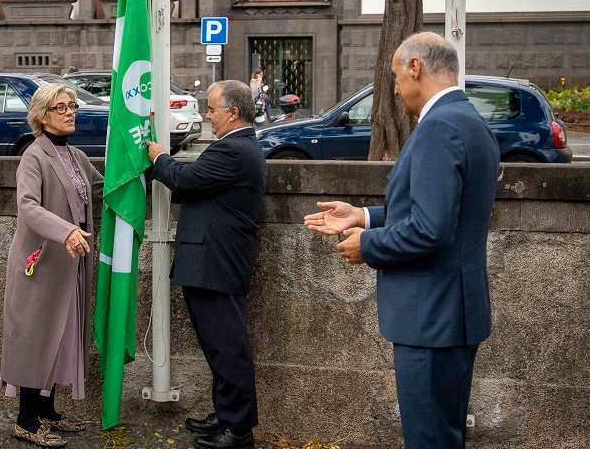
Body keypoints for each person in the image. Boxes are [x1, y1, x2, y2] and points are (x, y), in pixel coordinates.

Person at [303, 32, 500, 448]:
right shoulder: (470, 121)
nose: (393, 89)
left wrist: (367, 245)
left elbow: (430, 229)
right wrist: (364, 216)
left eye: (395, 77)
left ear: (416, 68)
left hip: (430, 316)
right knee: (444, 434)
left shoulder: (439, 127)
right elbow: (443, 211)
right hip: (454, 311)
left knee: (429, 438)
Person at [145, 80, 266, 449]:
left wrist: (158, 158)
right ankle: (226, 415)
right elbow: (196, 187)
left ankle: (239, 431)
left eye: (212, 108)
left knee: (228, 349)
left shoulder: (234, 149)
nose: (206, 115)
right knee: (218, 347)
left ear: (233, 112)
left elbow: (186, 178)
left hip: (217, 263)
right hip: (213, 261)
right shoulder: (237, 147)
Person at [0, 83, 104, 448]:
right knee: (35, 337)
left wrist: (146, 168)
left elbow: (102, 189)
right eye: (61, 107)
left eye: (72, 106)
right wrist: (67, 231)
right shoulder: (34, 156)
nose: (70, 112)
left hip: (70, 264)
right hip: (41, 263)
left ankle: (47, 412)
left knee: (61, 336)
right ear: (42, 116)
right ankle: (26, 421)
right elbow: (28, 206)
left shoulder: (75, 156)